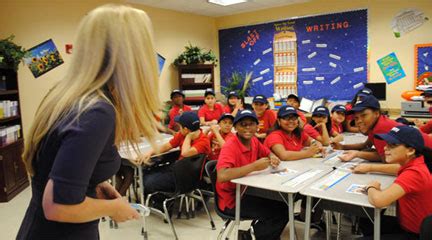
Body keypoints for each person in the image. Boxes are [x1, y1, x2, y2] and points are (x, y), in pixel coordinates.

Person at [17, 4, 161, 239]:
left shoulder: (67, 96)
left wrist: (92, 184)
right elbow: (57, 206)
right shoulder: (97, 112)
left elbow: (56, 169)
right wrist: (115, 208)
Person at [216, 109, 288, 240]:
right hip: (232, 200)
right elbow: (222, 175)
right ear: (235, 127)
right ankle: (248, 237)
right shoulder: (230, 146)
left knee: (282, 205)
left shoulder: (254, 140)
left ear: (257, 126)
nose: (247, 128)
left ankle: (256, 235)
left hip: (248, 191)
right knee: (279, 212)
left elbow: (267, 152)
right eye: (243, 124)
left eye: (251, 124)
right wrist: (254, 166)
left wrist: (272, 157)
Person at [359, 125, 432, 239]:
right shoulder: (416, 162)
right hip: (407, 224)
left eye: (392, 145)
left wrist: (371, 187)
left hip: (416, 234)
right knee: (366, 220)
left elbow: (379, 201)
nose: (385, 148)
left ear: (411, 150)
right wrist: (370, 168)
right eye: (387, 144)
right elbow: (397, 168)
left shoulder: (414, 173)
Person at [333, 95, 432, 175]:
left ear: (376, 113)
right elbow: (365, 145)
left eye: (364, 115)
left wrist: (359, 155)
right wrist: (343, 147)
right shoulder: (376, 123)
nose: (359, 121)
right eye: (356, 118)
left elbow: (387, 160)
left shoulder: (381, 127)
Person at [137, 111, 211, 193]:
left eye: (180, 126)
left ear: (186, 129)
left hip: (186, 177)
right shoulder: (182, 134)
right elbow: (167, 146)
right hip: (177, 168)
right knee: (145, 173)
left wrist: (188, 137)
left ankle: (161, 201)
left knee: (148, 182)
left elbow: (185, 153)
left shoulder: (204, 142)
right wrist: (150, 152)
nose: (179, 129)